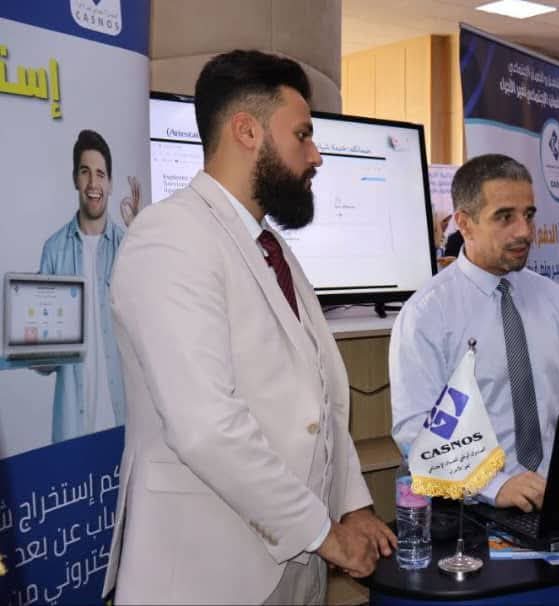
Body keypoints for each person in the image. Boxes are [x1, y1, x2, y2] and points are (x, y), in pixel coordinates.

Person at [103, 50, 394, 604]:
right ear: (247, 131)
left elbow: (317, 400)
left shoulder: (269, 245)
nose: (316, 155)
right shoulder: (170, 237)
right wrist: (325, 533)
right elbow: (206, 426)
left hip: (297, 559)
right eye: (303, 135)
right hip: (207, 572)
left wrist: (352, 504)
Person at [389, 154, 559, 512]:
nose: (524, 231)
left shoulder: (553, 299)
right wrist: (494, 486)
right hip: (473, 509)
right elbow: (417, 431)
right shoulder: (428, 313)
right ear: (465, 223)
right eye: (505, 217)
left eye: (528, 215)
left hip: (555, 502)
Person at [37, 129, 140, 443]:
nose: (93, 183)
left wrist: (140, 236)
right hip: (73, 428)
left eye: (100, 174)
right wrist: (34, 349)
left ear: (110, 184)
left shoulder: (128, 246)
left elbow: (151, 323)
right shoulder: (54, 250)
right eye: (85, 172)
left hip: (125, 425)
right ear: (75, 179)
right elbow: (44, 362)